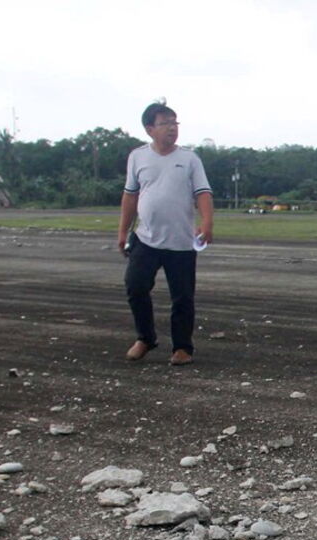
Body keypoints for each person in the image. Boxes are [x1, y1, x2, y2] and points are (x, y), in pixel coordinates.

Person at [118, 101, 213, 365]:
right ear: (150, 129)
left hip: (181, 241)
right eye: (165, 123)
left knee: (182, 296)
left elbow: (203, 193)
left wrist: (207, 222)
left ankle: (182, 347)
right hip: (145, 237)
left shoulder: (189, 159)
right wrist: (123, 231)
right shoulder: (137, 157)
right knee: (135, 286)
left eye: (175, 123)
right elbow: (130, 195)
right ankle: (145, 338)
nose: (172, 128)